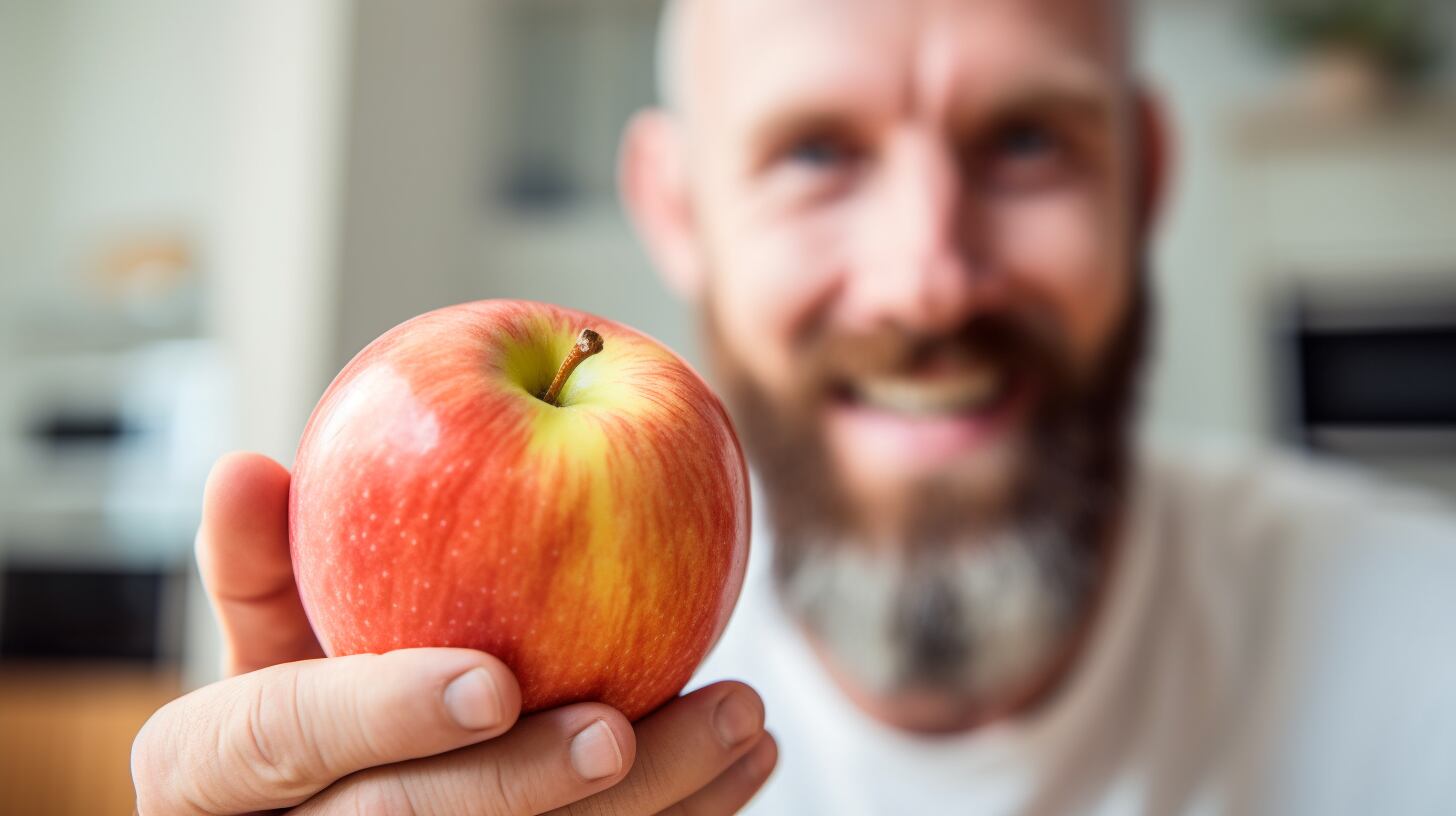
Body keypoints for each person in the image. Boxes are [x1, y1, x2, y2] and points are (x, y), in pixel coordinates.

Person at [132, 0, 1456, 813]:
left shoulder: (1424, 649)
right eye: (817, 153)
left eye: (1030, 143)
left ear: (1144, 180)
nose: (929, 280)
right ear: (675, 209)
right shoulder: (532, 711)